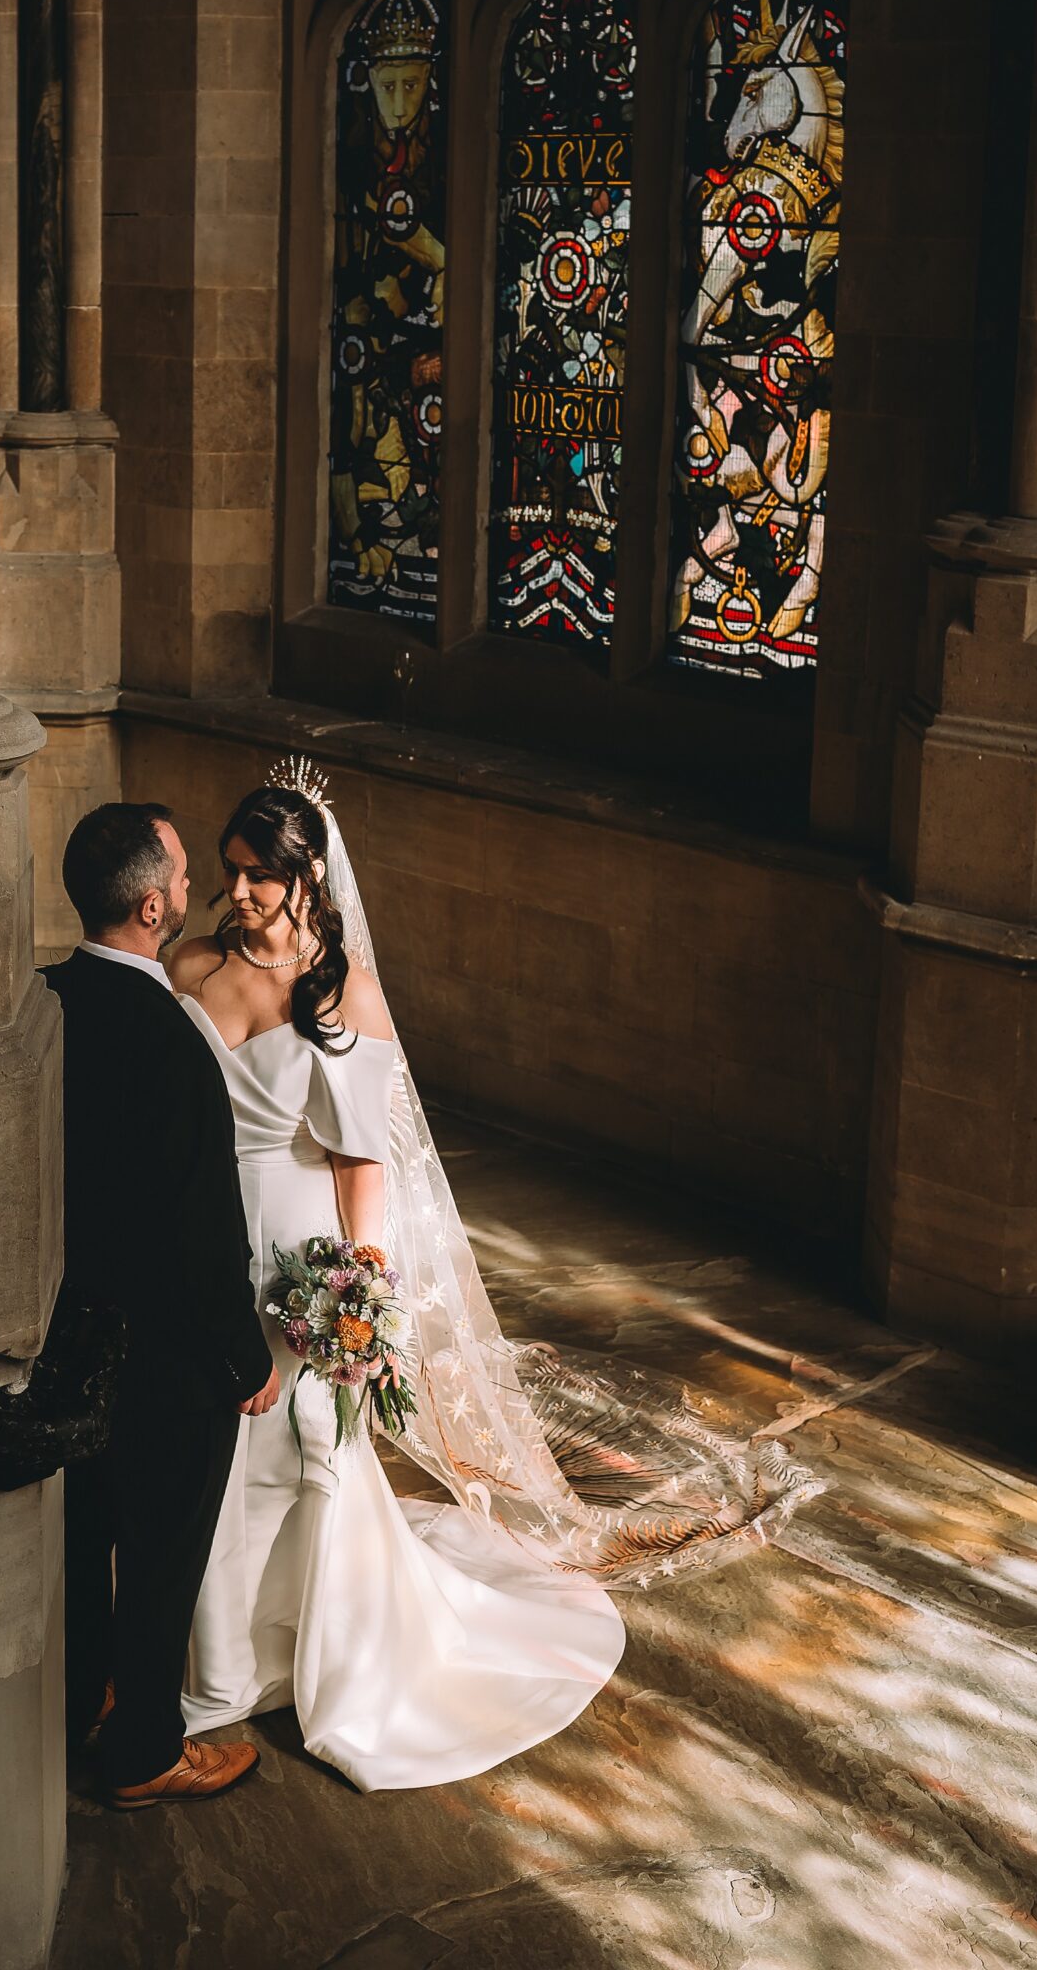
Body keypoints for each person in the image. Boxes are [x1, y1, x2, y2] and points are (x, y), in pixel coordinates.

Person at [168, 767, 818, 1793]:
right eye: (230, 872)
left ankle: (273, 1659)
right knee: (201, 1450)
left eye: (258, 877)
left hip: (297, 1254)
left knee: (295, 1456)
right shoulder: (188, 963)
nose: (236, 892)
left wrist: (357, 1298)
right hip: (201, 1232)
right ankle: (206, 1652)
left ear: (309, 881)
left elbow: (362, 1164)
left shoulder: (342, 993)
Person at [46, 801, 279, 1811]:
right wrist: (245, 1359)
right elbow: (202, 1230)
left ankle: (84, 1697)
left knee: (84, 1533)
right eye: (183, 879)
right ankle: (143, 1751)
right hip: (165, 1352)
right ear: (151, 907)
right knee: (160, 1555)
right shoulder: (173, 1043)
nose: (194, 893)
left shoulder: (46, 999)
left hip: (66, 1329)